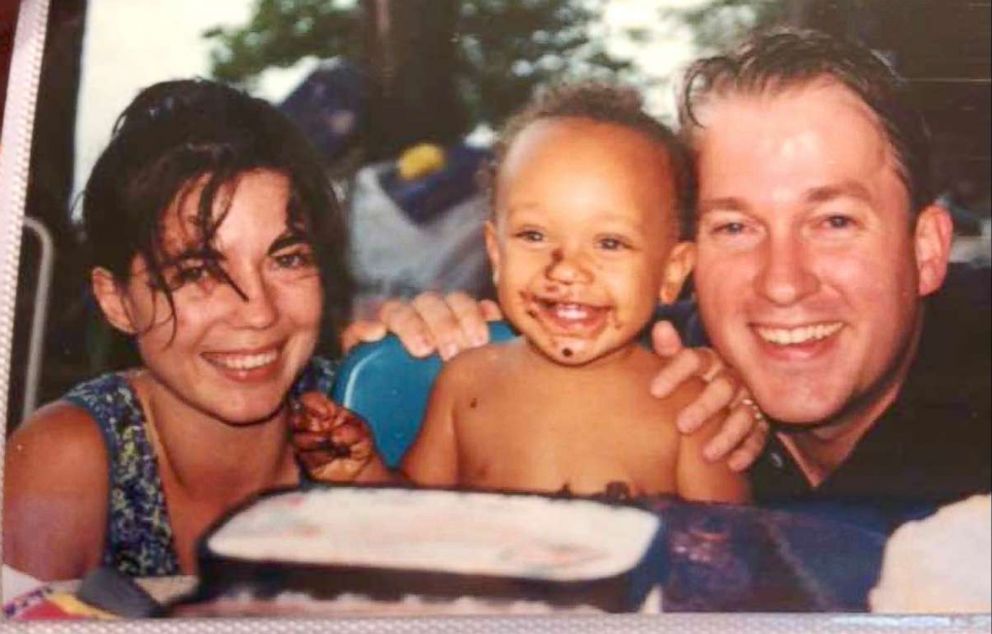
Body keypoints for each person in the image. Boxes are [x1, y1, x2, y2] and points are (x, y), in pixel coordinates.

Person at [339, 28, 990, 523]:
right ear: (681, 260)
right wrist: (419, 344)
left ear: (927, 248)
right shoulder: (653, 362)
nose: (783, 283)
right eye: (734, 227)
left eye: (835, 222)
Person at [306, 84, 749, 502]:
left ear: (671, 272)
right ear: (496, 256)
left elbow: (733, 559)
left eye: (609, 243)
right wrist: (364, 473)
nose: (567, 268)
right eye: (534, 235)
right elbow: (421, 513)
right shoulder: (464, 384)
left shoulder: (691, 411)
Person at [2, 79, 352, 580]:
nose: (257, 313)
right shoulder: (71, 462)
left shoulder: (361, 416)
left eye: (287, 258)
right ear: (117, 301)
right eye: (197, 272)